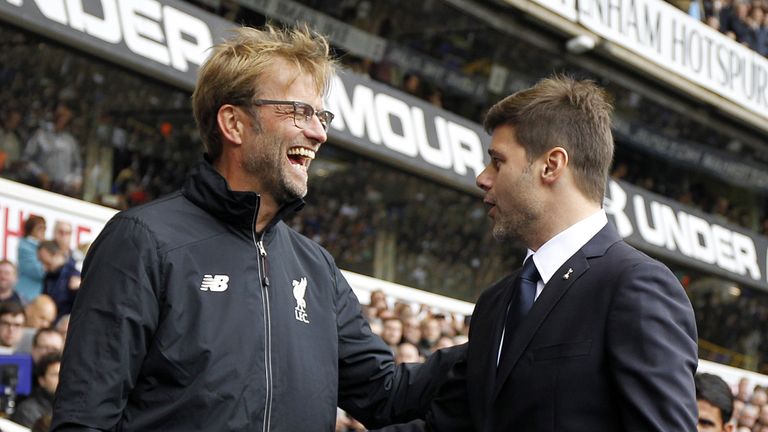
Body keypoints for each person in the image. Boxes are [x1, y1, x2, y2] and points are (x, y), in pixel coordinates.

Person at [52, 25, 461, 432]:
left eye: (321, 116)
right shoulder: (142, 240)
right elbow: (85, 419)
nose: (319, 133)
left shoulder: (317, 268)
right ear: (233, 124)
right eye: (300, 112)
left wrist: (505, 343)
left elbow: (385, 395)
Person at [426, 75, 698, 431]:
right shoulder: (495, 303)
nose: (483, 177)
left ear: (551, 165)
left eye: (497, 161)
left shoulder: (636, 286)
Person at [21, 102, 83, 196]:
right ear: (53, 115)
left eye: (65, 116)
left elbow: (77, 165)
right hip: (40, 186)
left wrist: (77, 180)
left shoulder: (70, 141)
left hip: (63, 190)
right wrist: (39, 174)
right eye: (59, 115)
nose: (61, 119)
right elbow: (26, 159)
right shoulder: (40, 135)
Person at [10, 353, 60, 428]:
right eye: (55, 375)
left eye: (63, 374)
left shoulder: (73, 405)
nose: (61, 379)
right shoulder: (27, 411)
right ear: (41, 380)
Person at [37, 240, 80, 320]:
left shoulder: (74, 275)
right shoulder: (49, 276)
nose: (44, 268)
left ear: (57, 255)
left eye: (47, 263)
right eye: (41, 262)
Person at [16, 215, 46, 304]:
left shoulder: (41, 246)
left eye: (44, 228)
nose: (43, 231)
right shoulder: (25, 247)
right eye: (40, 228)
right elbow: (38, 271)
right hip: (25, 295)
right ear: (31, 229)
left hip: (37, 296)